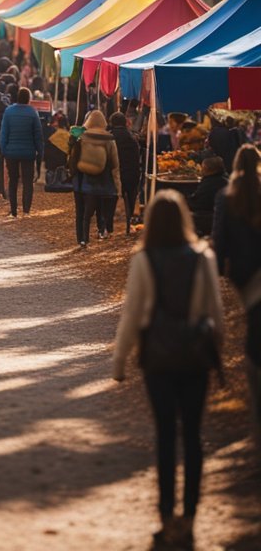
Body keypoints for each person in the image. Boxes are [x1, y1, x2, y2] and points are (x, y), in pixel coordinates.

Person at [112, 190, 223, 549]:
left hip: (157, 356)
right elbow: (215, 311)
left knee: (164, 435)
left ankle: (165, 513)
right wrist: (216, 352)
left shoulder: (145, 260)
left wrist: (120, 361)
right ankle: (189, 515)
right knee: (192, 435)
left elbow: (132, 314)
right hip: (194, 355)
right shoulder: (203, 257)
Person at [212, 144, 261, 444]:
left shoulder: (226, 198)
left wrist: (219, 270)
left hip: (244, 277)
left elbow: (219, 241)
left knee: (253, 338)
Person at [69, 110, 121, 246]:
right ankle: (101, 230)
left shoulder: (81, 136)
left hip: (82, 180)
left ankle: (82, 238)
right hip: (103, 181)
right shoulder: (109, 139)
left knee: (82, 213)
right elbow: (115, 163)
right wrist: (117, 186)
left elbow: (73, 156)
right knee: (99, 210)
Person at [0, 87, 43, 218]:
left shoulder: (8, 112)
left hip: (11, 152)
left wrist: (4, 150)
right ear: (28, 99)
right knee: (27, 182)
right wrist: (40, 152)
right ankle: (26, 210)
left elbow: (3, 133)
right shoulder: (32, 113)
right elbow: (38, 136)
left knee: (13, 180)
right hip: (28, 152)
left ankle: (13, 211)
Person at [108, 112, 141, 234]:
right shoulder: (132, 137)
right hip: (131, 172)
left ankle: (110, 225)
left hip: (115, 173)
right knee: (131, 198)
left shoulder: (110, 137)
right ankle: (129, 222)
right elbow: (137, 156)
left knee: (113, 198)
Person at [187, 156, 227, 238]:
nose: (201, 171)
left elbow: (197, 203)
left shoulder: (209, 183)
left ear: (208, 170)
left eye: (203, 168)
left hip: (208, 217)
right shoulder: (226, 180)